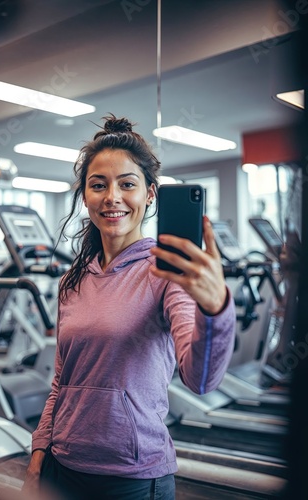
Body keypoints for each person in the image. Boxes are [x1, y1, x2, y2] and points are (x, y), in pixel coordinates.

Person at [23, 114, 236, 500]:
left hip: (133, 477)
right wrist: (39, 449)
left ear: (150, 194)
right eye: (98, 185)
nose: (112, 198)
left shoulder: (166, 275)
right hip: (61, 465)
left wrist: (215, 309)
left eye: (127, 185)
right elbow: (61, 380)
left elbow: (201, 380)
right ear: (84, 195)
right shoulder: (73, 281)